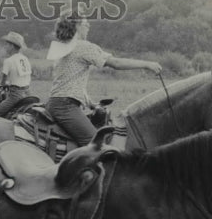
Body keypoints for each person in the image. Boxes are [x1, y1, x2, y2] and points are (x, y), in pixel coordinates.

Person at [46, 14, 163, 147]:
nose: (89, 26)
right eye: (85, 23)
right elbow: (116, 63)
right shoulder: (83, 47)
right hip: (66, 107)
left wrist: (91, 104)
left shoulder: (62, 47)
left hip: (55, 103)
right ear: (76, 26)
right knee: (97, 146)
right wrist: (147, 64)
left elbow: (70, 80)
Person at [0, 31, 33, 117]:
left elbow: (3, 83)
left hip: (15, 96)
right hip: (28, 93)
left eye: (6, 45)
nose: (5, 47)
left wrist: (6, 84)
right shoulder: (25, 59)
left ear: (11, 46)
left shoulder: (8, 61)